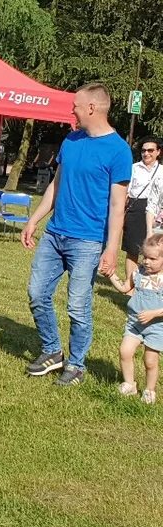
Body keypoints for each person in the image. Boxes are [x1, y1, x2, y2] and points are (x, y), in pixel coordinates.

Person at [21, 83, 131, 386]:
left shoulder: (119, 150)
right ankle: (53, 352)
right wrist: (35, 219)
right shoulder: (71, 140)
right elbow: (55, 185)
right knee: (37, 294)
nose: (72, 110)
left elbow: (118, 205)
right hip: (55, 234)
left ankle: (77, 366)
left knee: (77, 307)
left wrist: (111, 249)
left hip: (87, 241)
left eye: (76, 106)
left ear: (92, 108)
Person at [107, 232, 163, 405]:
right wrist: (111, 276)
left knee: (150, 360)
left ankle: (149, 390)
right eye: (144, 257)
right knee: (125, 351)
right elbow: (125, 288)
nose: (147, 261)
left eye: (153, 259)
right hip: (135, 323)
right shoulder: (139, 272)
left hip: (156, 326)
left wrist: (153, 313)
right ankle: (129, 384)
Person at [123, 137, 161, 280]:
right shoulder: (134, 168)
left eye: (150, 150)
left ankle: (152, 284)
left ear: (158, 152)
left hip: (156, 212)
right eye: (144, 150)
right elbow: (126, 191)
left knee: (155, 251)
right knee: (132, 249)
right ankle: (130, 285)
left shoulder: (162, 171)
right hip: (136, 208)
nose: (146, 153)